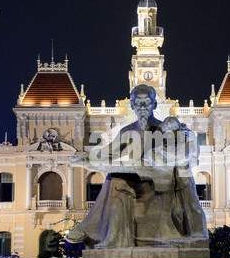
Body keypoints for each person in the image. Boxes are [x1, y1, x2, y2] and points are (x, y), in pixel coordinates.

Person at [66, 84, 207, 249]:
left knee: (118, 179)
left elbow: (186, 145)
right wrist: (85, 157)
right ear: (132, 105)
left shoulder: (166, 128)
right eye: (137, 102)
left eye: (146, 102)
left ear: (154, 104)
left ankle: (88, 228)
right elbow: (108, 152)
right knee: (115, 179)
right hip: (139, 182)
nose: (142, 107)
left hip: (160, 184)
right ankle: (112, 239)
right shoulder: (128, 131)